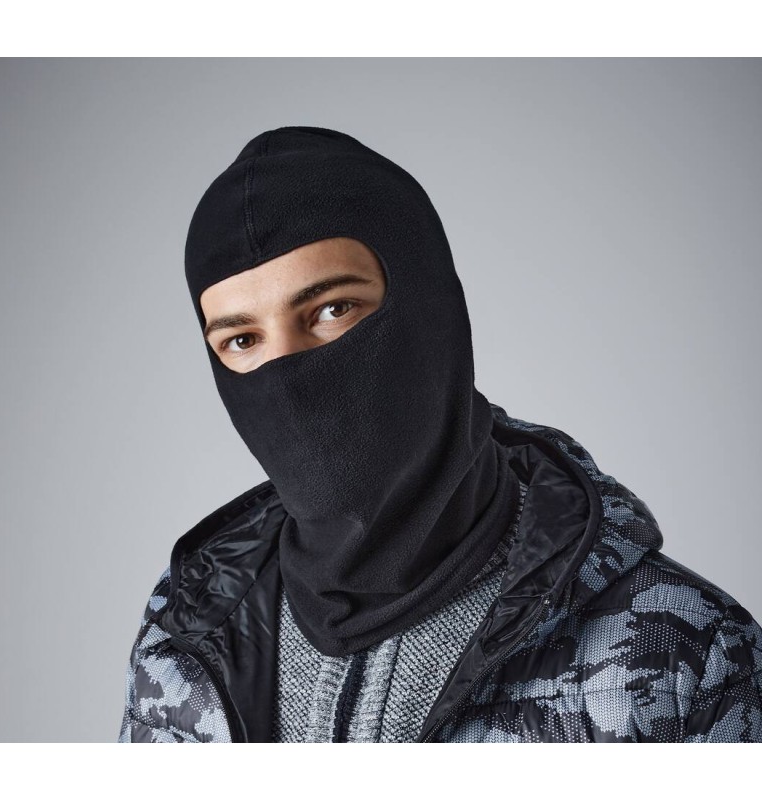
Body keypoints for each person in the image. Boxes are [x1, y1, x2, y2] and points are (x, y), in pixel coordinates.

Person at [118, 125, 762, 743]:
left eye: (332, 309)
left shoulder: (683, 654)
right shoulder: (185, 641)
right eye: (242, 339)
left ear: (431, 308)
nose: (286, 375)